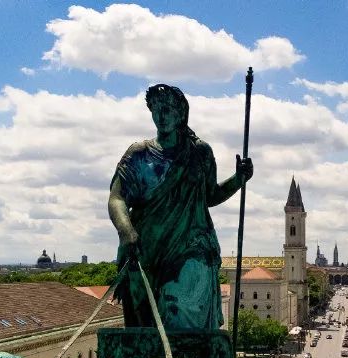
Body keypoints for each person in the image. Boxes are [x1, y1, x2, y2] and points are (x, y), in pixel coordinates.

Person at [109, 84, 254, 330]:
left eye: (168, 109)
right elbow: (117, 198)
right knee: (144, 325)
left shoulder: (199, 152)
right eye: (156, 109)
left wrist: (238, 180)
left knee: (182, 306)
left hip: (191, 243)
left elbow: (210, 196)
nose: (162, 115)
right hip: (146, 246)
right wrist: (126, 230)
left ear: (180, 113)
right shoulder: (138, 154)